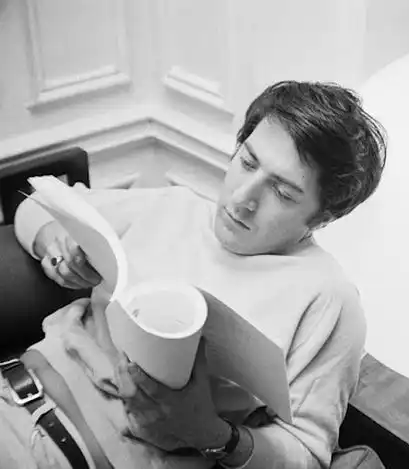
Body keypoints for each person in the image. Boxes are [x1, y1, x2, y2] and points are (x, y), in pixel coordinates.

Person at [0, 80, 386, 468]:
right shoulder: (174, 207)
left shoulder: (328, 297)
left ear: (322, 216)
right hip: (14, 396)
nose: (242, 199)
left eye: (283, 193)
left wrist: (212, 434)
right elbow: (35, 205)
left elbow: (307, 454)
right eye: (247, 162)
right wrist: (56, 243)